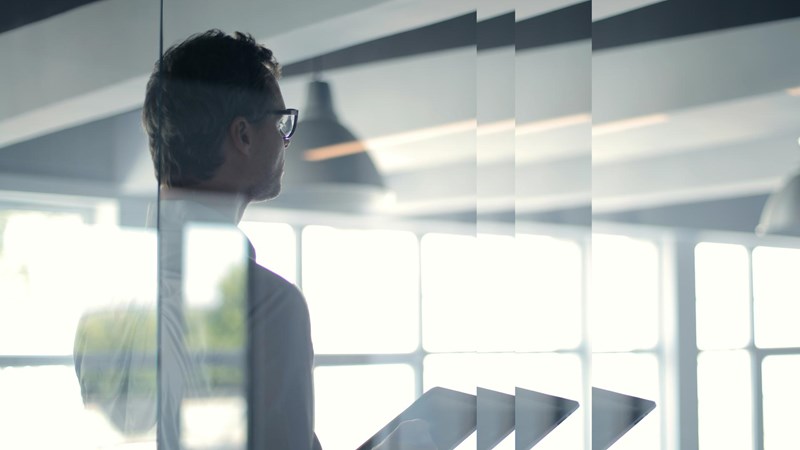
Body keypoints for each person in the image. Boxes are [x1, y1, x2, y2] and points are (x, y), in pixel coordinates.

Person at [140, 29, 436, 450]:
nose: (285, 140)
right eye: (281, 123)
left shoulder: (110, 299)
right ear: (242, 136)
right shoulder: (265, 304)